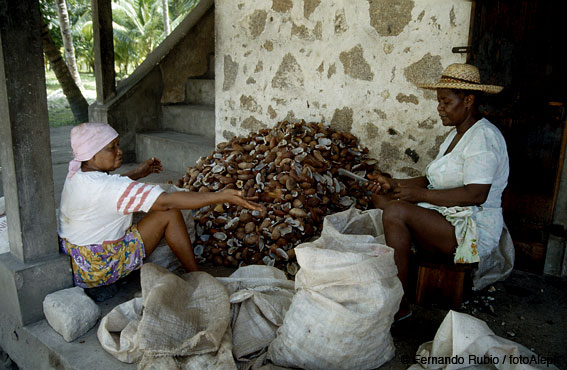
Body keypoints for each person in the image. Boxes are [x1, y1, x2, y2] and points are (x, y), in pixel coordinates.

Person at [366, 63, 513, 320]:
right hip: (448, 214)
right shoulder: (456, 135)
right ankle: (404, 273)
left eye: (446, 101)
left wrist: (417, 197)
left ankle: (400, 303)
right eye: (439, 101)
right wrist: (393, 184)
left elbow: (476, 194)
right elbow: (431, 180)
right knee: (381, 197)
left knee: (396, 211)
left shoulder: (483, 138)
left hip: (472, 226)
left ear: (468, 100)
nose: (439, 107)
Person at [58, 122, 261, 299]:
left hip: (82, 263)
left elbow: (110, 187)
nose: (119, 151)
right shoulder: (107, 187)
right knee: (169, 213)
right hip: (101, 268)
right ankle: (197, 275)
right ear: (92, 155)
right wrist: (222, 196)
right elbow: (165, 202)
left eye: (117, 145)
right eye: (111, 148)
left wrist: (137, 173)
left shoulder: (77, 175)